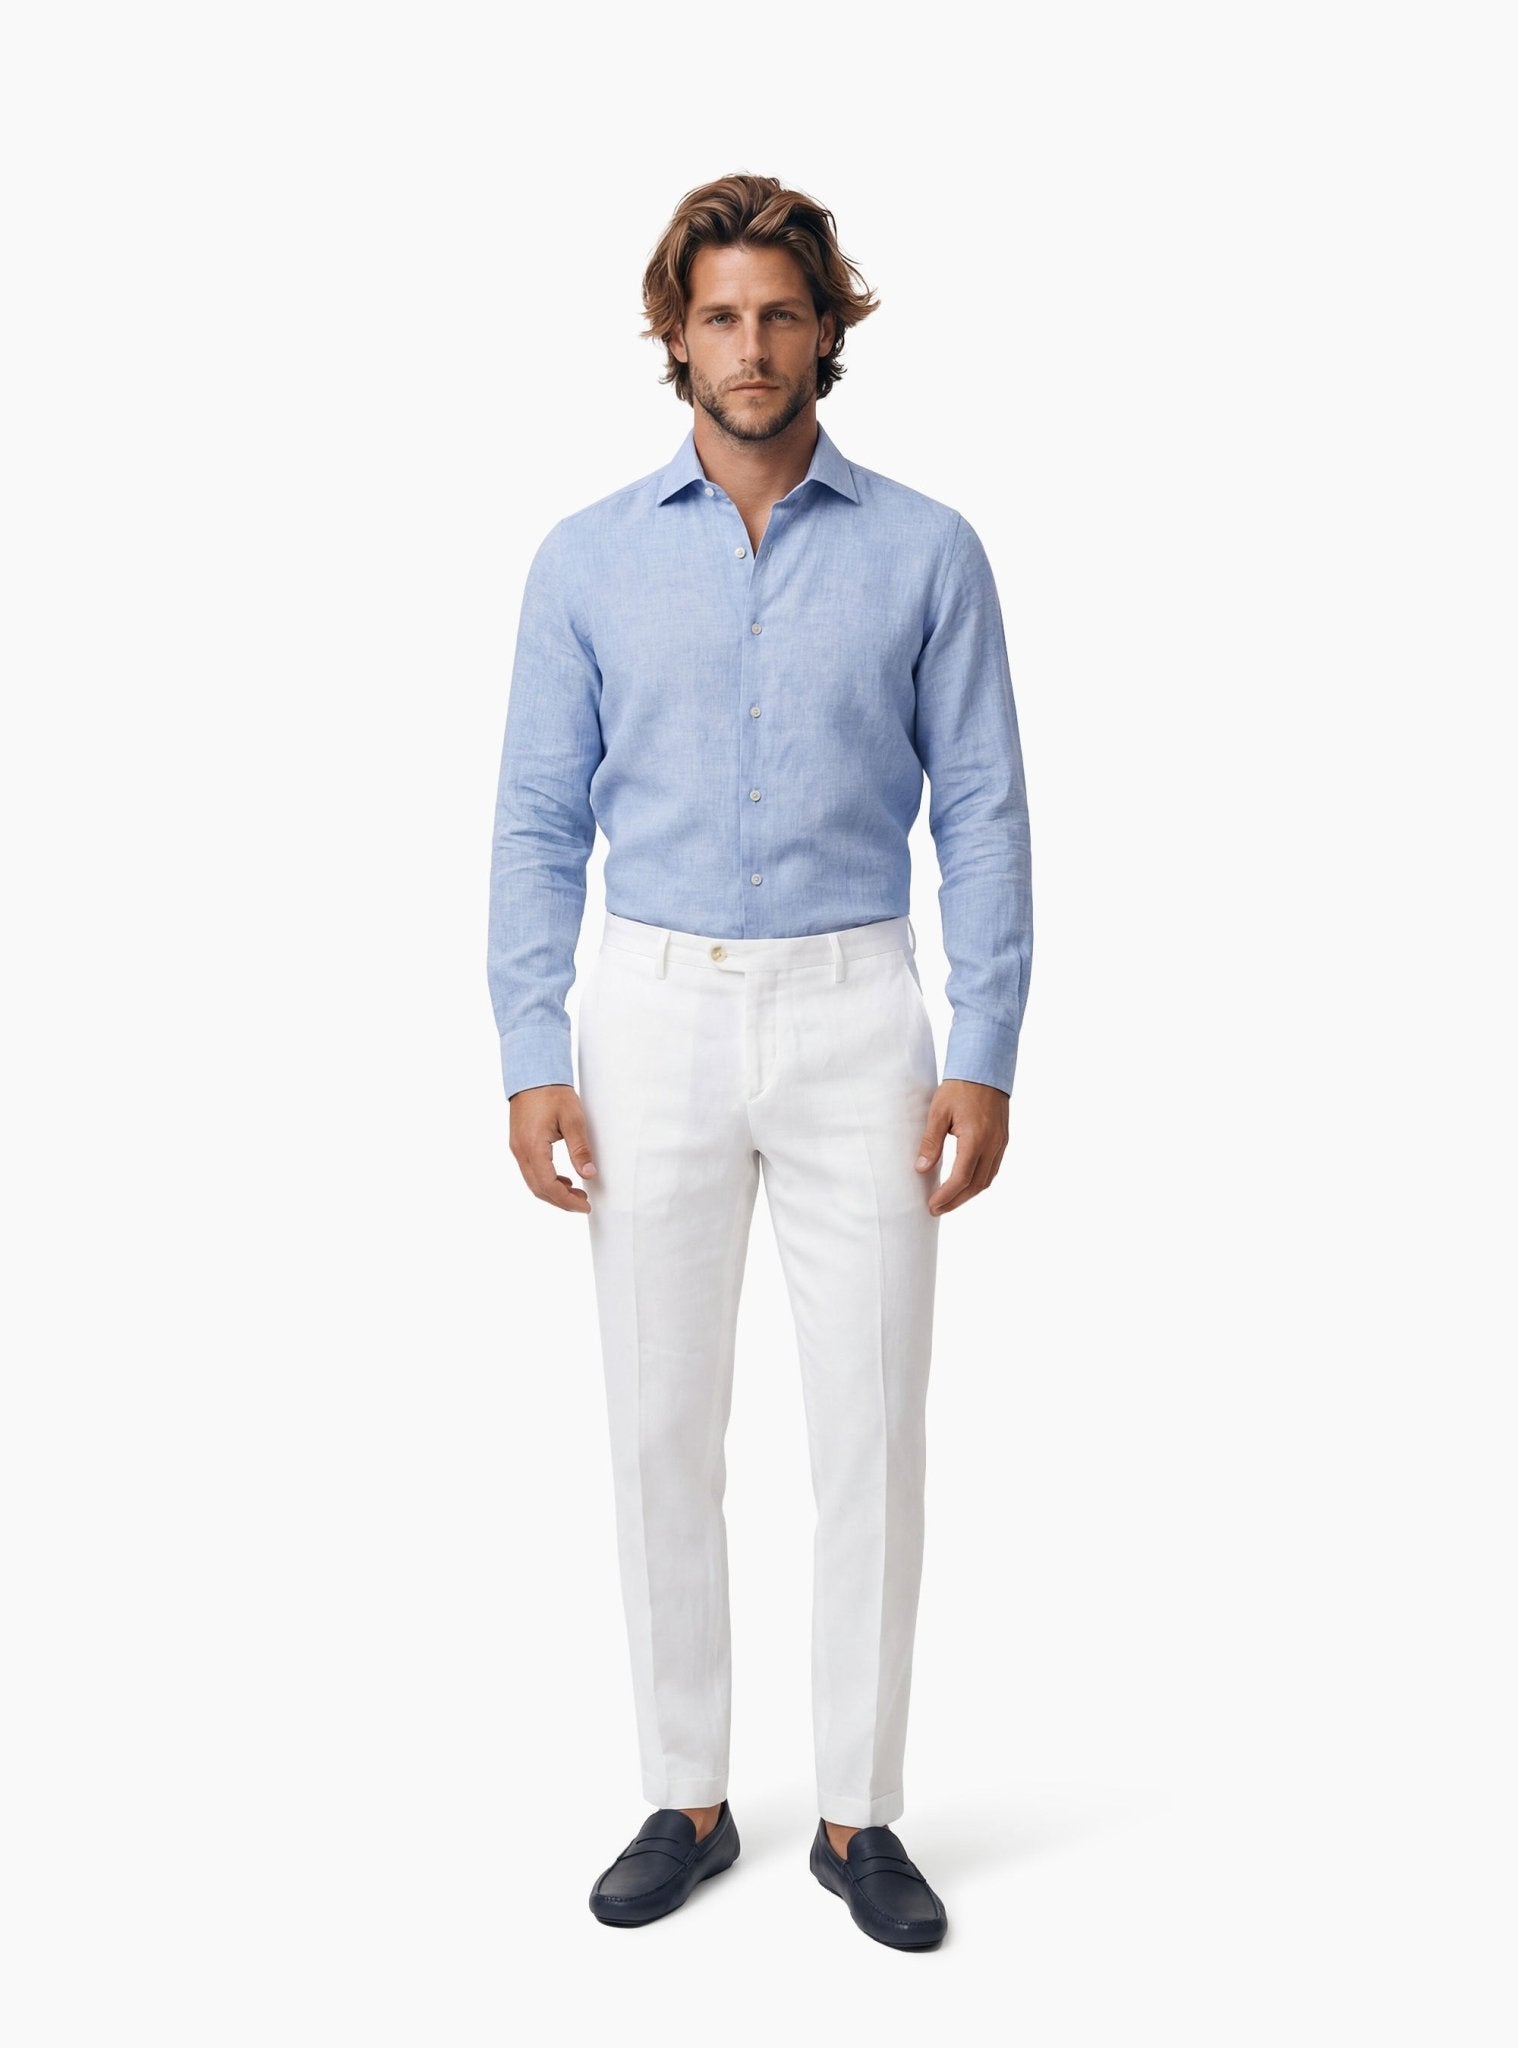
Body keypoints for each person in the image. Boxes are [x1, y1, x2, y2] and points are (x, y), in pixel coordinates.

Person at [486, 172, 1033, 1951]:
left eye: (779, 314)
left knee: (871, 1423)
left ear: (825, 331)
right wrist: (530, 1047)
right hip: (644, 1013)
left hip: (858, 1012)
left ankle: (858, 1814)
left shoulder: (927, 551)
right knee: (658, 1424)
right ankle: (687, 1792)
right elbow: (536, 822)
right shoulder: (583, 559)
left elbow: (983, 814)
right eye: (718, 315)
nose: (750, 346)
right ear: (675, 334)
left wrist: (985, 1047)